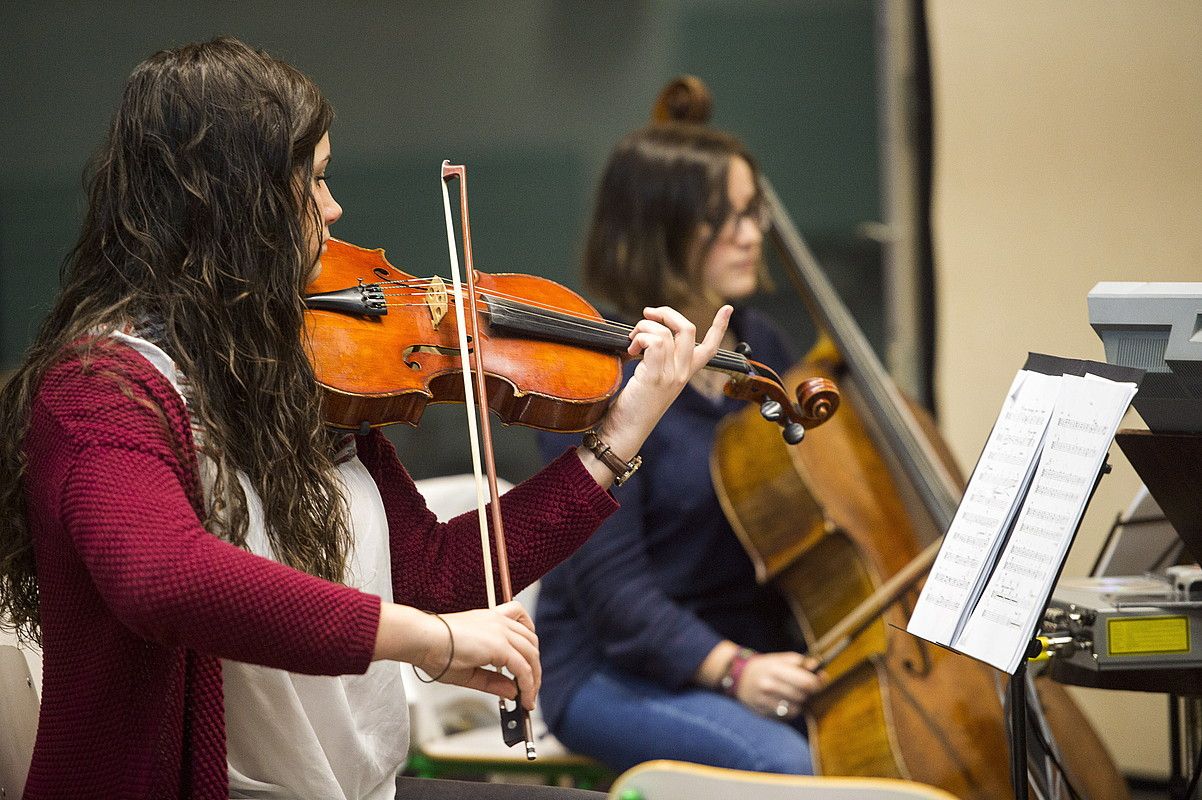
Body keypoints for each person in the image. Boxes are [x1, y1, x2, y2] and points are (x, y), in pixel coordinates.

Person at [0, 39, 732, 800]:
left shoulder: (293, 374)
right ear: (229, 197)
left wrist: (617, 440)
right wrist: (430, 640)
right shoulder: (100, 391)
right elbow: (164, 578)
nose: (333, 208)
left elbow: (434, 571)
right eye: (312, 180)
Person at [534, 91, 825, 776]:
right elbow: (614, 597)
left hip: (757, 649)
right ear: (658, 227)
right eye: (720, 218)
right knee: (787, 767)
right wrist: (732, 671)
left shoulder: (766, 346)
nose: (752, 234)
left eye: (753, 211)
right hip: (613, 668)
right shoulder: (596, 374)